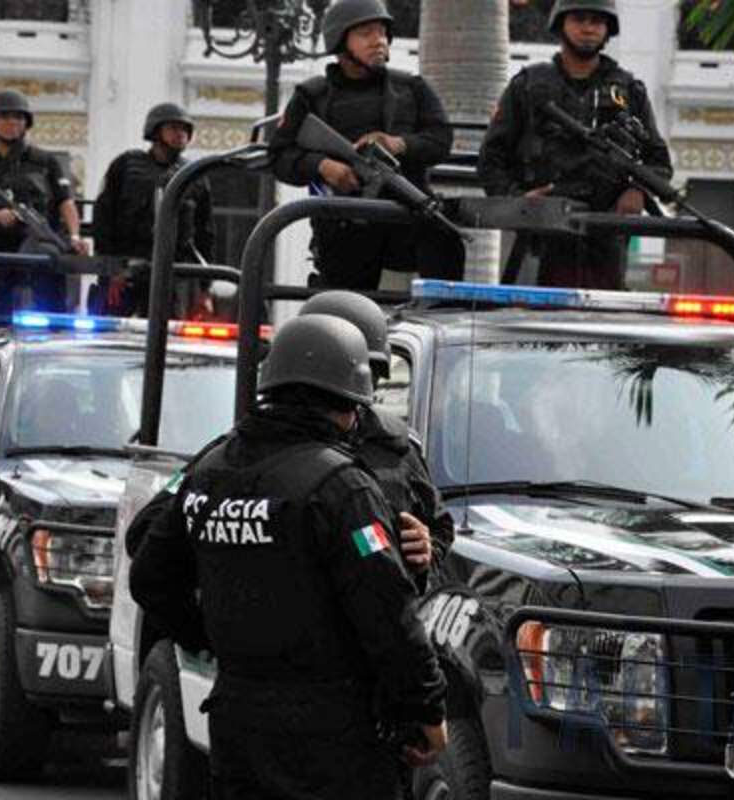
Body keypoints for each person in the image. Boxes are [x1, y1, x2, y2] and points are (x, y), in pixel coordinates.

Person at [130, 314, 447, 800]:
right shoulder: (342, 486)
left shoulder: (210, 472)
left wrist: (212, 639)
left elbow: (150, 576)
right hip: (333, 733)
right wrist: (425, 706)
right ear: (347, 404)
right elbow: (387, 611)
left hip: (239, 719)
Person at [268, 0, 465, 291]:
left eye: (383, 32)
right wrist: (323, 166)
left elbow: (441, 140)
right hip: (345, 223)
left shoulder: (411, 88)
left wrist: (398, 144)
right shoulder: (313, 96)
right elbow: (279, 156)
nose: (379, 41)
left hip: (408, 215)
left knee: (445, 243)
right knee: (344, 307)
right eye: (366, 33)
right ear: (340, 40)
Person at [478, 0, 672, 290]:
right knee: (529, 309)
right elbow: (491, 160)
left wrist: (638, 191)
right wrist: (518, 200)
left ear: (608, 30)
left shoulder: (629, 91)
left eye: (597, 21)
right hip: (540, 230)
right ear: (561, 24)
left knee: (601, 311)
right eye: (579, 19)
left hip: (605, 230)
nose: (588, 29)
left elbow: (659, 162)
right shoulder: (528, 85)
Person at [298, 290, 453, 591]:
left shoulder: (394, 445)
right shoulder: (267, 443)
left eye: (366, 374)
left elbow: (438, 527)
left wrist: (425, 550)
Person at [0, 89, 87, 318]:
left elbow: (65, 202)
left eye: (18, 117)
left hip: (38, 255)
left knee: (51, 318)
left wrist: (75, 236)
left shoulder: (45, 161)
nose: (12, 123)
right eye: (4, 117)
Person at [89, 102, 215, 317]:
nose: (180, 134)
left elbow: (205, 234)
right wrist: (111, 271)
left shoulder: (194, 176)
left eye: (185, 130)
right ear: (155, 131)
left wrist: (205, 289)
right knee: (112, 329)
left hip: (172, 272)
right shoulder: (126, 165)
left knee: (167, 331)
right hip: (124, 269)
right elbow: (103, 219)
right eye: (173, 128)